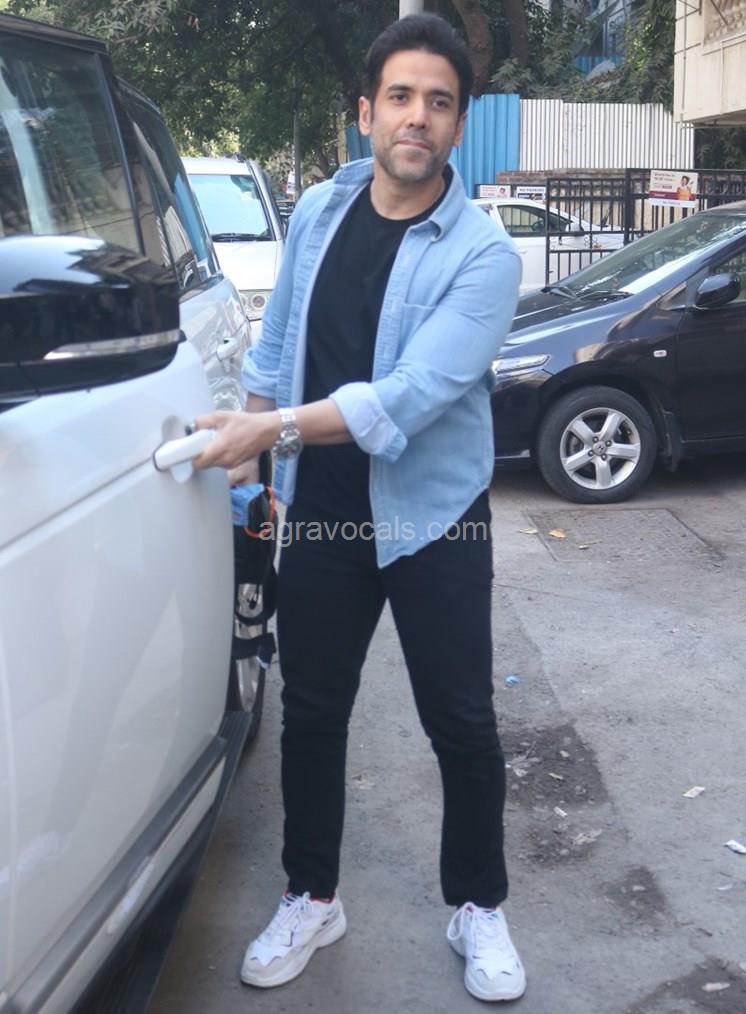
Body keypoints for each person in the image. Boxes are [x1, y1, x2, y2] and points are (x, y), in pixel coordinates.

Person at [193, 13, 525, 1003]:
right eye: (400, 96)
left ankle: (478, 906)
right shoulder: (319, 212)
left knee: (460, 720)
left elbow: (409, 398)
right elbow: (275, 343)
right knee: (311, 712)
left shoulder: (485, 255)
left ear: (458, 124)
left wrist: (270, 429)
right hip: (322, 512)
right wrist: (256, 470)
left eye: (438, 102)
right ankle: (311, 895)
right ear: (365, 110)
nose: (416, 117)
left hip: (433, 517)